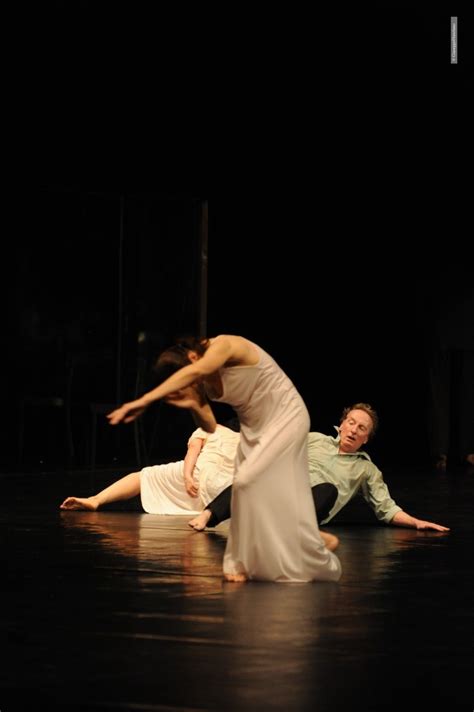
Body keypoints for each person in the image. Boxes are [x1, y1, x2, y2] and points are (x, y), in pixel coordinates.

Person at [107, 335, 342, 583]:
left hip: (286, 417)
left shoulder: (225, 346)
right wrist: (193, 404)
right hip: (254, 430)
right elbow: (208, 425)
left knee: (246, 481)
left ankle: (258, 557)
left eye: (187, 376)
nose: (191, 381)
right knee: (254, 489)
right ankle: (311, 540)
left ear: (193, 357)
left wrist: (144, 400)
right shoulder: (202, 380)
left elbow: (201, 369)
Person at [188, 403, 450, 533]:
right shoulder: (316, 439)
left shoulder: (366, 470)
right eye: (351, 422)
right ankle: (208, 516)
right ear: (342, 423)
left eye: (362, 428)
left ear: (366, 438)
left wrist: (415, 522)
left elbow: (386, 508)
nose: (354, 429)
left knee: (328, 490)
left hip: (308, 508)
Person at [60, 421, 240, 515]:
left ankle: (95, 499)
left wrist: (187, 476)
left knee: (143, 476)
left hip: (200, 473)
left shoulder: (209, 428)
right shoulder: (244, 438)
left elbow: (192, 453)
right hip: (226, 487)